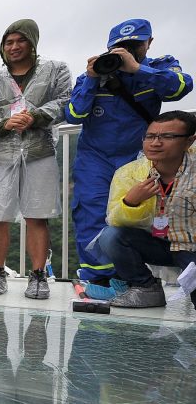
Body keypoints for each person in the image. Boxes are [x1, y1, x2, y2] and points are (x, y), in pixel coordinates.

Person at [65, 19, 193, 298]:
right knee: (90, 212)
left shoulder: (160, 67)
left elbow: (181, 87)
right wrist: (90, 78)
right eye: (120, 48)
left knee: (137, 215)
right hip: (95, 157)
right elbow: (73, 114)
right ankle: (98, 279)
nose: (127, 52)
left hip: (137, 156)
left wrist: (137, 69)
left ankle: (132, 277)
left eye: (135, 45)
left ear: (149, 43)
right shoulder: (93, 74)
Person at [0, 19, 72, 299]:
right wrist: (5, 123)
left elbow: (67, 100)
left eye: (20, 40)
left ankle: (39, 274)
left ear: (32, 42)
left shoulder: (55, 71)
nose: (14, 47)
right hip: (0, 155)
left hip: (38, 151)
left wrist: (36, 116)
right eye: (9, 42)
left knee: (37, 215)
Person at [96, 110, 196, 309]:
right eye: (150, 136)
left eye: (167, 136)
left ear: (189, 141)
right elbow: (113, 220)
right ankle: (146, 288)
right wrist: (131, 202)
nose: (155, 142)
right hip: (158, 244)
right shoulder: (130, 173)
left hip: (191, 246)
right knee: (111, 236)